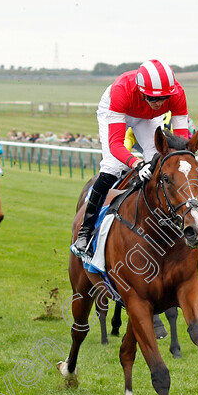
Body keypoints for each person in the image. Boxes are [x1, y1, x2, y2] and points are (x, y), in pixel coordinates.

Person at [70, 59, 191, 258]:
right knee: (113, 166)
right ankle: (85, 232)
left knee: (158, 161)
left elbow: (181, 142)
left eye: (164, 98)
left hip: (149, 118)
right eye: (153, 98)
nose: (159, 103)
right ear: (142, 91)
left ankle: (167, 220)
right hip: (118, 108)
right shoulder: (122, 90)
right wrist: (137, 164)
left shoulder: (177, 94)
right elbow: (116, 144)